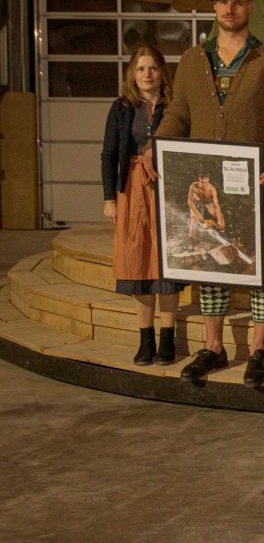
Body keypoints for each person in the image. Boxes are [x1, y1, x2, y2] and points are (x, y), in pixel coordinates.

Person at [143, 0, 264, 387]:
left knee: (258, 265)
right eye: (223, 1)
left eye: (238, 1)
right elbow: (178, 114)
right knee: (211, 265)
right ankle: (213, 347)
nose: (230, 8)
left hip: (252, 182)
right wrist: (155, 145)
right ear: (214, 7)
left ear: (249, 7)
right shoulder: (193, 59)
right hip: (205, 180)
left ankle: (259, 350)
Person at [100, 45, 183, 366]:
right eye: (140, 69)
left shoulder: (174, 106)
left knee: (166, 262)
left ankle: (167, 339)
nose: (147, 74)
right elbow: (109, 154)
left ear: (162, 72)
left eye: (153, 68)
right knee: (137, 262)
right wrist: (110, 199)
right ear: (132, 74)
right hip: (132, 190)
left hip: (166, 188)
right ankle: (145, 338)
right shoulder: (122, 107)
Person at [186, 172, 224, 238]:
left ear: (208, 180)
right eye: (203, 183)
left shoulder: (212, 189)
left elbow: (216, 205)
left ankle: (221, 232)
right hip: (196, 202)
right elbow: (190, 201)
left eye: (206, 182)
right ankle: (191, 237)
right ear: (199, 179)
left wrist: (219, 220)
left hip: (207, 203)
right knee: (194, 218)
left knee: (220, 215)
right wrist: (198, 214)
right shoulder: (193, 186)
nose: (204, 184)